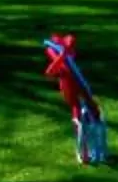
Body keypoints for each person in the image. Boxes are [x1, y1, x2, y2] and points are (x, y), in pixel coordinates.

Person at [42, 32, 108, 165]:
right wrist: (61, 57)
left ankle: (99, 147)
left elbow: (70, 47)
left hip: (79, 85)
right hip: (69, 89)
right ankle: (84, 152)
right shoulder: (60, 63)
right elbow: (49, 72)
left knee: (94, 112)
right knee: (78, 114)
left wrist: (65, 53)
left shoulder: (70, 58)